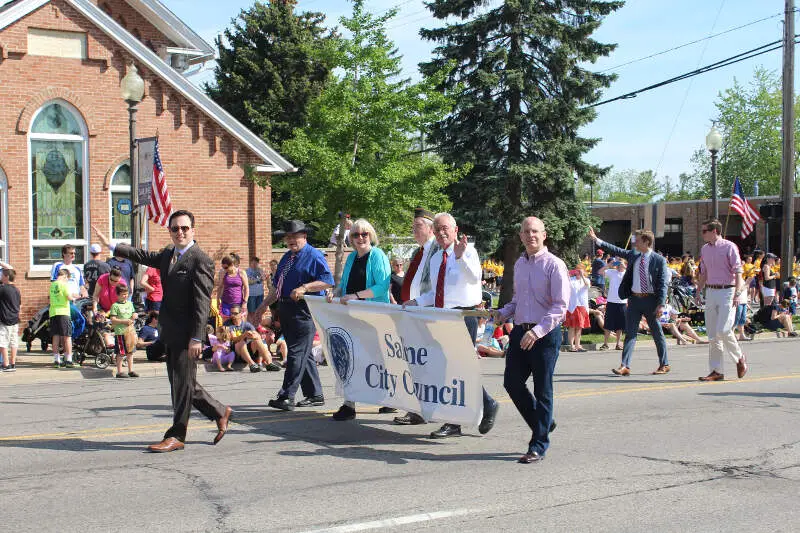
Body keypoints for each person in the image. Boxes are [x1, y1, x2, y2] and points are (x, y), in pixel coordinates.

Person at [92, 210, 233, 453]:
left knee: (181, 384)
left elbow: (201, 303)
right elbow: (144, 255)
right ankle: (220, 411)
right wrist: (113, 245)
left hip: (188, 334)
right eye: (175, 228)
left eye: (185, 228)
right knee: (182, 382)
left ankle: (177, 435)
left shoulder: (201, 260)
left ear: (193, 230)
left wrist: (197, 337)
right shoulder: (169, 254)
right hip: (170, 330)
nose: (180, 232)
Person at [405, 212, 499, 439]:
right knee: (449, 369)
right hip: (442, 316)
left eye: (445, 228)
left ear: (456, 230)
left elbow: (475, 278)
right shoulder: (437, 258)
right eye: (437, 230)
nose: (441, 233)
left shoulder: (468, 252)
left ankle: (457, 420)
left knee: (456, 369)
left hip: (462, 316)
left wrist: (460, 257)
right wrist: (416, 301)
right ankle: (485, 405)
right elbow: (436, 291)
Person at [496, 216, 569, 464]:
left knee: (542, 389)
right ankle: (544, 422)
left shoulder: (554, 265)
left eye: (535, 231)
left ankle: (538, 444)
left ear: (544, 235)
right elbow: (518, 301)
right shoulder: (520, 264)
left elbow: (560, 307)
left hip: (544, 336)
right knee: (512, 383)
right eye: (526, 232)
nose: (531, 235)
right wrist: (503, 313)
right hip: (520, 332)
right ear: (521, 236)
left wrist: (537, 331)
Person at [259, 220, 334, 412]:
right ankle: (315, 394)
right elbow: (277, 287)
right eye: (288, 237)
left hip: (303, 310)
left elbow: (327, 281)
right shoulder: (287, 258)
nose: (291, 240)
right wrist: (262, 307)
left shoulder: (314, 255)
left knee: (296, 353)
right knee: (304, 353)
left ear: (304, 236)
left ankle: (286, 395)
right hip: (286, 309)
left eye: (295, 236)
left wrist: (305, 287)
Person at [326, 218, 391, 421]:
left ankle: (389, 397)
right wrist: (333, 292)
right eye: (355, 234)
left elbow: (382, 286)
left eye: (364, 234)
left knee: (379, 360)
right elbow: (343, 284)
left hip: (374, 317)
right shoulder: (352, 258)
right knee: (351, 359)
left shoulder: (378, 255)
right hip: (352, 316)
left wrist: (356, 296)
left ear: (371, 235)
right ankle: (349, 404)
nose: (360, 238)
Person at [588, 227, 670, 376]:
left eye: (637, 241)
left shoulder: (659, 260)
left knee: (657, 333)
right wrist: (596, 239)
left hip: (651, 300)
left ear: (646, 242)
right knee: (630, 333)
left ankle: (664, 364)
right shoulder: (634, 255)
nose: (634, 243)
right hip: (634, 300)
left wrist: (661, 304)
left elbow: (663, 283)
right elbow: (616, 250)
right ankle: (625, 365)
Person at [393, 208, 440, 426]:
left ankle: (485, 404)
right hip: (413, 315)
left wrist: (417, 303)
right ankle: (419, 410)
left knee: (434, 367)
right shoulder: (419, 252)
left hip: (429, 316)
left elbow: (437, 287)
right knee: (417, 365)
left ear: (431, 228)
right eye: (413, 226)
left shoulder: (438, 250)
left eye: (418, 225)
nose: (414, 229)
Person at [696, 219, 748, 383]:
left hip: (728, 291)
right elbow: (703, 272)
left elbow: (738, 272)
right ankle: (716, 370)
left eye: (704, 231)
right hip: (711, 291)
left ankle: (739, 358)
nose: (702, 234)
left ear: (714, 231)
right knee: (712, 334)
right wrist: (698, 291)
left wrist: (738, 293)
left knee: (724, 329)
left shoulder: (729, 247)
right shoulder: (705, 249)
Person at [224, 304, 280, 372]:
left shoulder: (246, 324)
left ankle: (269, 363)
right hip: (235, 353)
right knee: (241, 342)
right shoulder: (227, 324)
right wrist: (244, 335)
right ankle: (252, 364)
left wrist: (254, 335)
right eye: (231, 313)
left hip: (248, 351)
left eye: (235, 313)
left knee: (257, 340)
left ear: (241, 314)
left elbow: (258, 336)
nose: (232, 315)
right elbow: (233, 339)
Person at [108, 284, 138, 379]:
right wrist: (123, 321)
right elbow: (113, 319)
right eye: (123, 294)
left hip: (130, 332)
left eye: (126, 294)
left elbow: (133, 313)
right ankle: (119, 371)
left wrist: (134, 315)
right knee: (121, 352)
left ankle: (131, 370)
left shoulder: (130, 304)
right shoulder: (115, 306)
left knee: (130, 352)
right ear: (118, 295)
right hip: (120, 332)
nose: (125, 296)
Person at [49, 268, 77, 368]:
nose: (67, 281)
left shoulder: (52, 285)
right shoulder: (64, 284)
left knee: (55, 336)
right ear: (65, 276)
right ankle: (68, 359)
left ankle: (57, 360)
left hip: (53, 312)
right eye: (67, 279)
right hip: (64, 312)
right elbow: (69, 297)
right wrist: (74, 298)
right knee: (67, 336)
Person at [598, 259, 626, 351]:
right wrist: (609, 265)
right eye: (618, 264)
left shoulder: (627, 273)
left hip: (622, 302)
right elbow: (600, 272)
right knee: (608, 324)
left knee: (620, 325)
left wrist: (624, 266)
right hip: (611, 301)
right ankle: (605, 343)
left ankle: (618, 343)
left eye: (620, 264)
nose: (619, 266)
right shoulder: (612, 272)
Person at [565, 265, 590, 352]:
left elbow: (587, 285)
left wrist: (582, 275)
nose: (578, 272)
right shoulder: (571, 280)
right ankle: (572, 346)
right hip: (572, 306)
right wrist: (568, 274)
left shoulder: (586, 280)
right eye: (577, 270)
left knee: (579, 327)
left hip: (582, 306)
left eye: (580, 270)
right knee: (572, 327)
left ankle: (578, 345)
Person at [0, 267, 20, 372]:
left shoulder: (2, 289)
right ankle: (12, 363)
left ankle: (6, 364)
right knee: (13, 342)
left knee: (2, 342)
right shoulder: (16, 290)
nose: (1, 277)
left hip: (5, 319)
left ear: (7, 277)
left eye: (2, 275)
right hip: (15, 319)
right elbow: (19, 305)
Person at [246, 257, 266, 322]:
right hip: (252, 294)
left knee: (259, 312)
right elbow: (249, 282)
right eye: (253, 262)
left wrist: (262, 275)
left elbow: (263, 279)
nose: (255, 264)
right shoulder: (247, 271)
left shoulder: (260, 270)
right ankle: (251, 326)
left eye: (256, 263)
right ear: (250, 263)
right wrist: (259, 279)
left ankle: (258, 326)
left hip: (260, 294)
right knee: (251, 312)